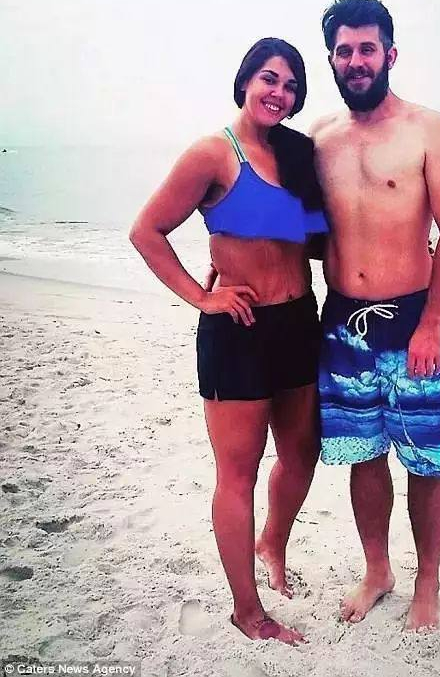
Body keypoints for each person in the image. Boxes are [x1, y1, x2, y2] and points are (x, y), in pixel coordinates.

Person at [129, 38, 328, 645]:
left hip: (298, 322)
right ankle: (248, 612)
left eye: (291, 86)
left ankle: (272, 542)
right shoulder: (214, 153)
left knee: (302, 454)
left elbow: (317, 242)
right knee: (237, 475)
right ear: (244, 82)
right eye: (269, 79)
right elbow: (147, 231)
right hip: (238, 331)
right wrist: (202, 295)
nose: (279, 93)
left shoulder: (297, 154)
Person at [311, 0, 440, 630]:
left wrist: (432, 323)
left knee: (427, 458)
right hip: (340, 324)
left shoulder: (428, 129)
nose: (356, 61)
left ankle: (427, 583)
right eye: (344, 51)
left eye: (367, 49)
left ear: (390, 54)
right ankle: (377, 570)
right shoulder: (319, 138)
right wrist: (227, 261)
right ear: (332, 59)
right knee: (363, 453)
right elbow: (289, 221)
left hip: (411, 323)